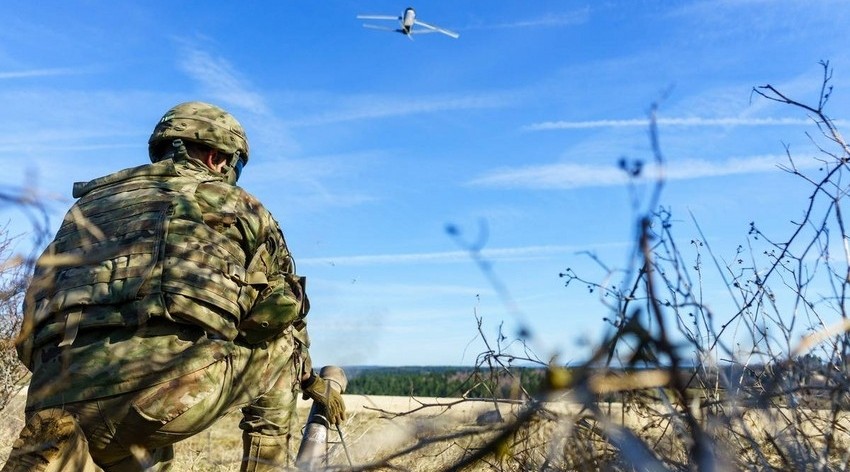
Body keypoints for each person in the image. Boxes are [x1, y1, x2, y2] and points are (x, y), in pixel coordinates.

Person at [3, 101, 345, 471]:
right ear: (218, 157)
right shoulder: (236, 203)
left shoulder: (84, 209)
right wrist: (311, 381)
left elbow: (32, 314)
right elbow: (279, 309)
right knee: (282, 347)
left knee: (138, 444)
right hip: (160, 396)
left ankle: (64, 451)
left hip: (54, 396)